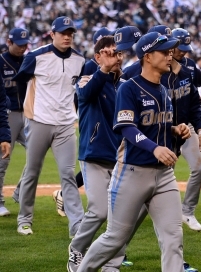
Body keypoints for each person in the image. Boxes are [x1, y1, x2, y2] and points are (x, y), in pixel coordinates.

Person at [77, 32, 191, 272]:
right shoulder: (129, 88)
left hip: (164, 175)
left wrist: (173, 130)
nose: (170, 54)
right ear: (147, 57)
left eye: (171, 50)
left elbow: (152, 125)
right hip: (132, 172)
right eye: (165, 51)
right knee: (115, 238)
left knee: (173, 238)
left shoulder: (162, 90)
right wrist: (155, 147)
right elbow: (127, 128)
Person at [13, 16, 85, 237]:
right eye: (63, 33)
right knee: (32, 172)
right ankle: (24, 220)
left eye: (70, 33)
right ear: (52, 34)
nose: (67, 37)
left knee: (68, 175)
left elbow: (78, 91)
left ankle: (77, 225)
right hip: (38, 122)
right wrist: (29, 108)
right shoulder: (36, 57)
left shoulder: (79, 60)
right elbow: (20, 80)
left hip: (65, 125)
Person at [67, 35, 128, 272]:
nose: (115, 56)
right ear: (98, 56)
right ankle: (77, 249)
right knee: (99, 210)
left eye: (118, 52)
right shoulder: (85, 79)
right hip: (93, 155)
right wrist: (104, 69)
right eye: (109, 52)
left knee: (122, 214)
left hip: (121, 157)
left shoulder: (125, 85)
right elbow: (85, 95)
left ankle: (111, 265)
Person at [167, 29, 201, 233]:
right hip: (163, 129)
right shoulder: (157, 67)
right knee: (165, 172)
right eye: (179, 49)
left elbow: (198, 89)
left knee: (199, 168)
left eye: (185, 49)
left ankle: (188, 211)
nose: (183, 53)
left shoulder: (189, 67)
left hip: (187, 126)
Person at [0, 28, 28, 216]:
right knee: (3, 160)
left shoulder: (29, 60)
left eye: (25, 45)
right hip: (8, 114)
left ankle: (20, 190)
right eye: (19, 45)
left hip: (28, 114)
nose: (23, 48)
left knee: (38, 153)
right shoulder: (0, 62)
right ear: (9, 43)